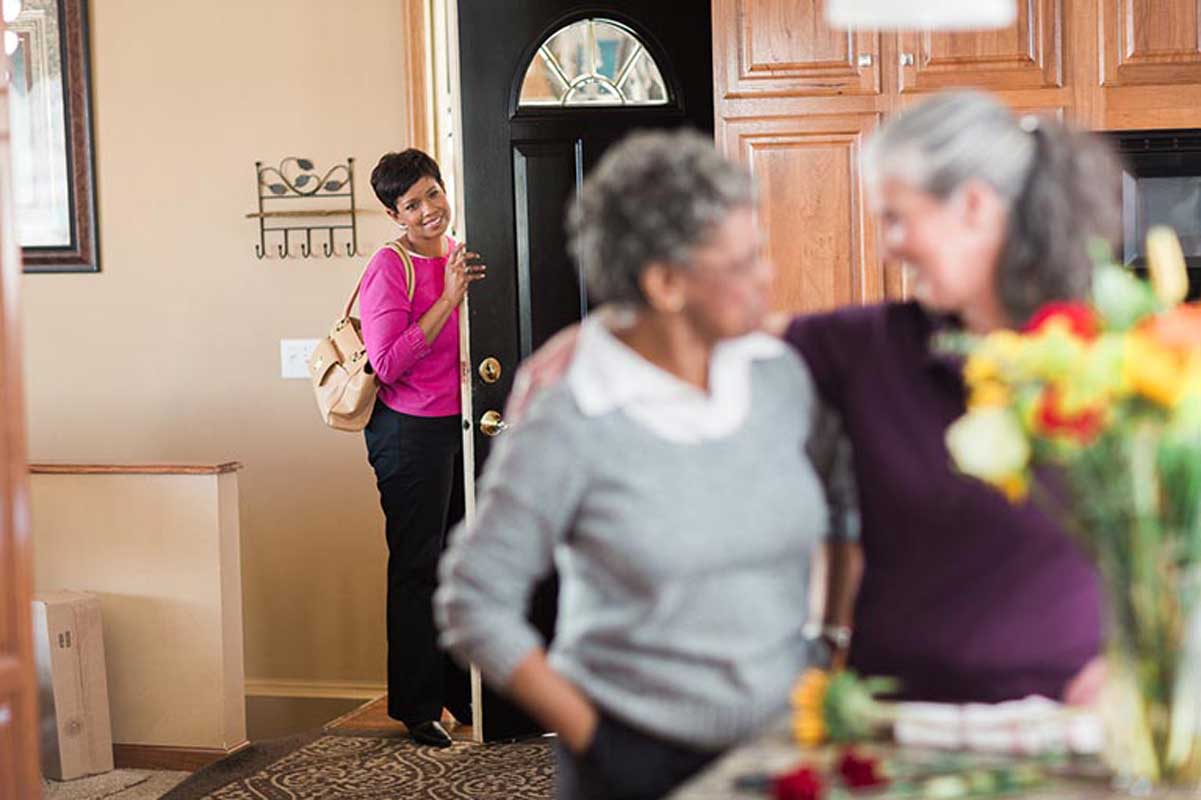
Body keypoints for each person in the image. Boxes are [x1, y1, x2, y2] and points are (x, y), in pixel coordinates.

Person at [505, 91, 1122, 706]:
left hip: (1068, 726)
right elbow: (712, 328)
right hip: (893, 729)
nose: (887, 248)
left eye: (897, 218)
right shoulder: (869, 346)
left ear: (973, 207)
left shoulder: (1121, 362)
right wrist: (598, 335)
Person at [435, 129, 833, 800]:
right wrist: (597, 738)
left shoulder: (779, 378)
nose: (766, 276)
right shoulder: (572, 411)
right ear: (666, 283)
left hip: (788, 752)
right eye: (741, 263)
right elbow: (473, 600)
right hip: (636, 771)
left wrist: (827, 658)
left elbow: (836, 521)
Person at [361, 148, 485, 748]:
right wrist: (447, 300)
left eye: (433, 194)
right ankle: (416, 706)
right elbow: (386, 363)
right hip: (408, 434)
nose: (429, 210)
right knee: (417, 566)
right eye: (412, 204)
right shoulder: (390, 267)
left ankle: (462, 692)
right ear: (394, 214)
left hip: (462, 425)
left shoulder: (461, 255)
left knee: (457, 563)